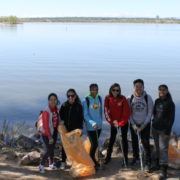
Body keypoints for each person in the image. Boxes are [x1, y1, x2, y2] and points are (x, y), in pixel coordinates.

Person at [128, 79, 153, 172]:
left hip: (145, 124)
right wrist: (133, 124)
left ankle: (148, 163)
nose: (138, 88)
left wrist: (143, 125)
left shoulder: (148, 98)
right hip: (134, 124)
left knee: (145, 143)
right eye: (136, 86)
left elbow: (150, 113)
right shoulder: (130, 98)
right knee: (134, 142)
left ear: (143, 87)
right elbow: (128, 113)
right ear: (133, 87)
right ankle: (136, 158)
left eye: (140, 86)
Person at [104, 83, 131, 166]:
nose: (115, 92)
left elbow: (126, 112)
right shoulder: (107, 98)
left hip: (123, 123)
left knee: (124, 140)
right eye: (113, 90)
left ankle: (125, 159)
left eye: (117, 90)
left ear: (119, 91)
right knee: (112, 140)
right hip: (114, 123)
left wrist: (120, 123)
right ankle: (108, 157)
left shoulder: (123, 99)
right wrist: (112, 122)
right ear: (111, 90)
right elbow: (106, 111)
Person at [152, 84, 175, 180]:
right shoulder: (157, 101)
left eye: (163, 89)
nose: (161, 91)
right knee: (157, 148)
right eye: (160, 89)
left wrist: (167, 132)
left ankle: (163, 171)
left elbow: (172, 119)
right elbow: (154, 113)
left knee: (163, 150)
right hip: (155, 128)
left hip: (164, 130)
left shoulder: (170, 103)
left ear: (167, 91)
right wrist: (154, 123)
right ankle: (157, 165)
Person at [59, 89, 84, 170]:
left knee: (74, 147)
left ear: (75, 96)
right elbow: (60, 117)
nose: (70, 97)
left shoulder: (79, 106)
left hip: (75, 130)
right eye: (68, 96)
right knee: (64, 146)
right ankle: (63, 162)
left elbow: (81, 119)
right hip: (66, 129)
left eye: (72, 96)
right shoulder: (64, 105)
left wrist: (80, 129)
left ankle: (74, 163)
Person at [82, 83, 103, 169]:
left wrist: (100, 122)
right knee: (94, 144)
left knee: (96, 143)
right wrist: (92, 123)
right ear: (90, 90)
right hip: (91, 126)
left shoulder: (99, 98)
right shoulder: (86, 100)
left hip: (99, 126)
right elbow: (85, 115)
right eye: (93, 89)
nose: (95, 91)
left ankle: (94, 158)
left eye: (96, 89)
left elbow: (100, 112)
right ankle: (92, 160)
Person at [39, 93, 60, 173]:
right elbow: (45, 126)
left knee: (52, 149)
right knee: (49, 149)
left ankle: (51, 164)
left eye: (54, 99)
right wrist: (49, 137)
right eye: (51, 99)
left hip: (54, 131)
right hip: (46, 133)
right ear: (48, 101)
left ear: (56, 100)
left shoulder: (56, 109)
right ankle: (41, 165)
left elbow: (57, 119)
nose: (53, 101)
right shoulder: (46, 111)